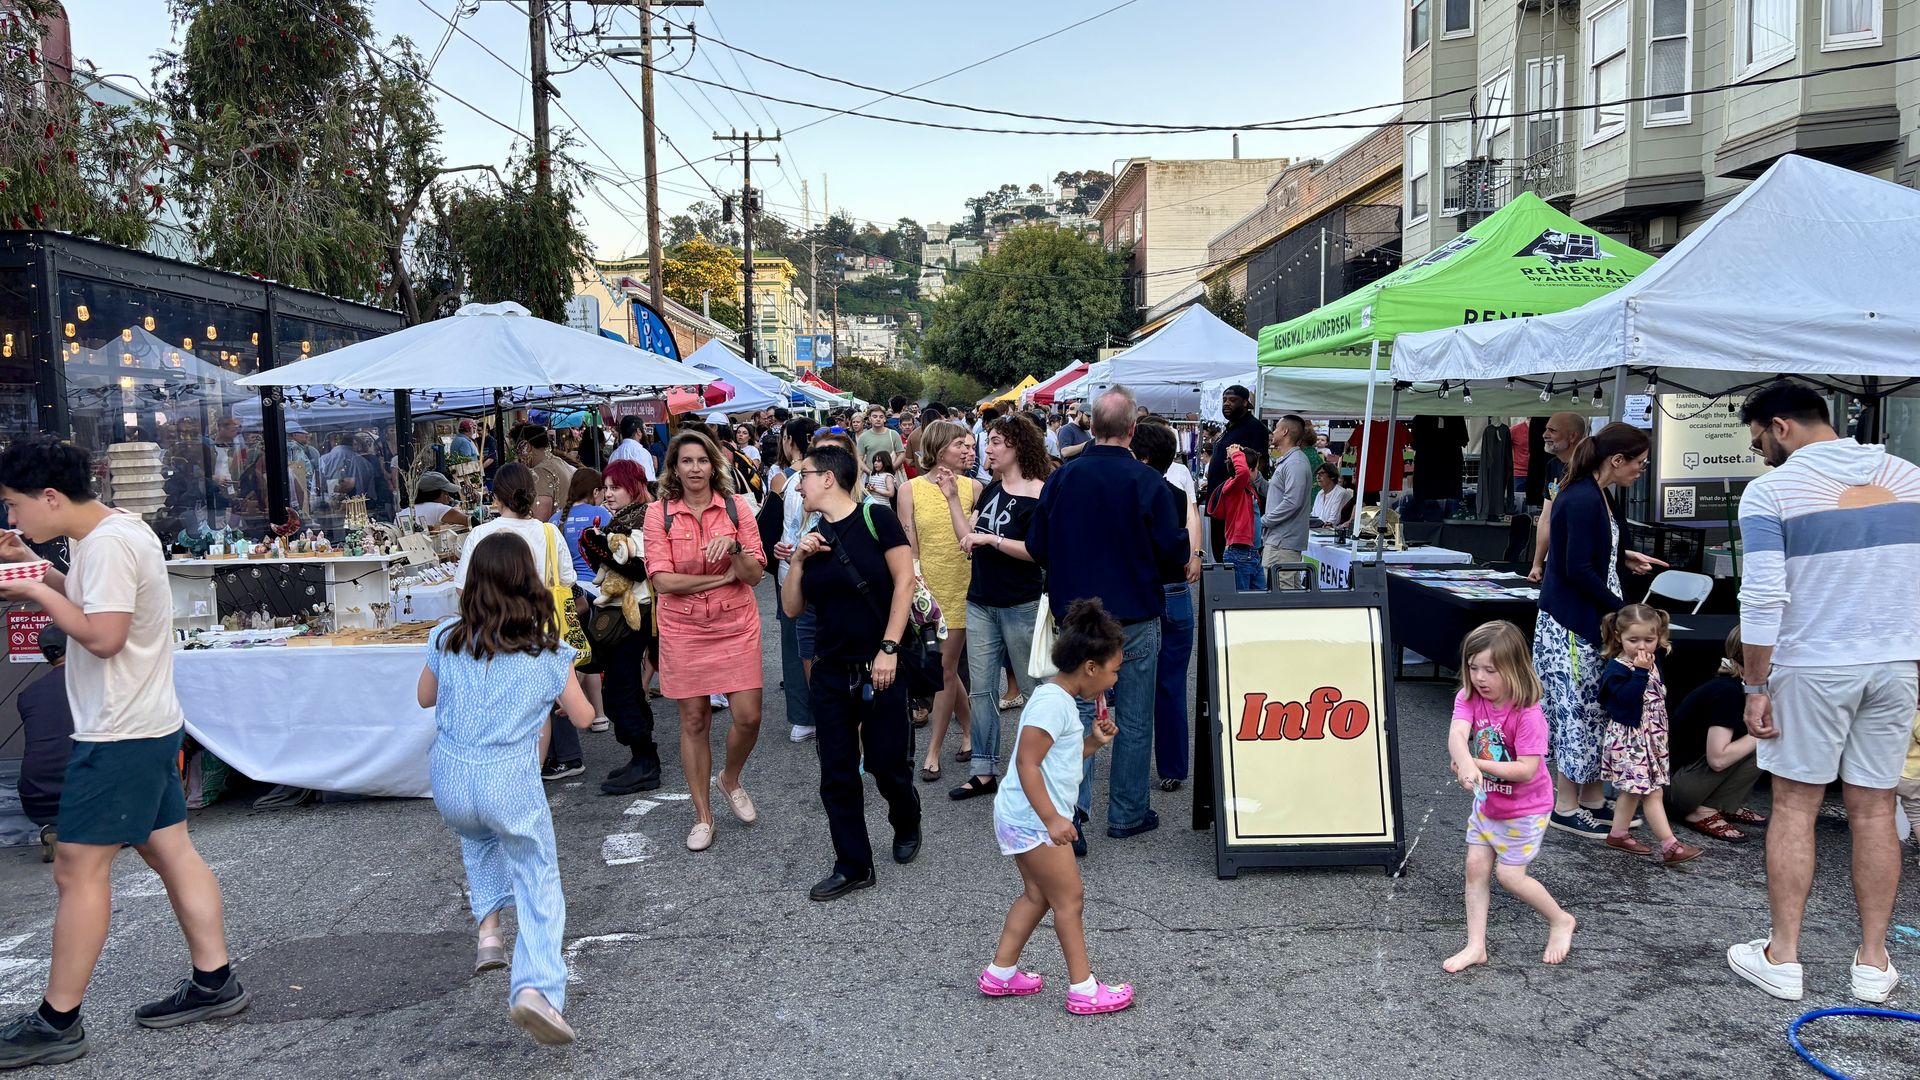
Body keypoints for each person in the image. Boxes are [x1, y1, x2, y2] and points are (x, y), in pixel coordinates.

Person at [0, 439, 248, 1069]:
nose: (12, 519)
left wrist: (37, 595)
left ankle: (58, 1021)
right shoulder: (109, 533)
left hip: (118, 732)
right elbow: (97, 603)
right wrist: (37, 567)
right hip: (147, 722)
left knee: (77, 870)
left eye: (15, 507)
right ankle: (214, 981)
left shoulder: (105, 545)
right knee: (171, 850)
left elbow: (104, 636)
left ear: (51, 497)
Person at [1728, 380, 1920, 1005]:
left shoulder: (1771, 490)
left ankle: (1783, 957)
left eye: (1760, 439)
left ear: (1781, 426)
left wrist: (1755, 683)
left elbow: (1761, 598)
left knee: (1794, 806)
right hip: (1894, 662)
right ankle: (1872, 962)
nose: (1760, 452)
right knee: (1873, 808)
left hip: (1811, 663)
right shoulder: (1910, 476)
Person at [418, 532, 592, 1045]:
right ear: (529, 583)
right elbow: (583, 717)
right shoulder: (547, 650)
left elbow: (424, 697)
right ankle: (536, 988)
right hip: (508, 783)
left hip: (451, 782)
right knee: (537, 878)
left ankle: (489, 932)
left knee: (477, 834)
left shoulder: (445, 635)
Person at [1027, 386, 1187, 851]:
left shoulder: (1062, 479)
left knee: (1074, 716)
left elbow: (1037, 546)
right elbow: (1172, 554)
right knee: (1135, 716)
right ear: (1133, 431)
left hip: (1077, 616)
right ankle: (1128, 811)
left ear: (1091, 427)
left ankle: (1072, 814)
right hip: (1134, 612)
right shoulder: (1148, 482)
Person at [781, 443, 922, 901]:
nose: (796, 482)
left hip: (879, 663)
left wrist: (889, 648)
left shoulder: (874, 518)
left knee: (884, 764)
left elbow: (905, 580)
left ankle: (907, 816)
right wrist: (798, 561)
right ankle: (854, 864)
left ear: (828, 478)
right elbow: (791, 608)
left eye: (803, 474)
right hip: (830, 668)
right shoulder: (812, 532)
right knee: (837, 772)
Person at [982, 598, 1130, 1015]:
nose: (1113, 679)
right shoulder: (1052, 703)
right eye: (1113, 670)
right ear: (1090, 667)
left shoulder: (1060, 701)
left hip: (1021, 816)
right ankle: (1083, 989)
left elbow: (1053, 761)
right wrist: (1052, 820)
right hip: (1033, 819)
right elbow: (1027, 762)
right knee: (1070, 900)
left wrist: (1092, 744)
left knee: (1037, 895)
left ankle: (1001, 973)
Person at [1534, 422, 1666, 841]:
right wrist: (1624, 610)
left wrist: (1622, 557)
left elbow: (1587, 552)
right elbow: (1575, 569)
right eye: (1640, 463)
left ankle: (1590, 797)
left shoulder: (1598, 495)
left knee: (1593, 711)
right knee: (1577, 711)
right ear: (1617, 460)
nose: (1642, 470)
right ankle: (1565, 805)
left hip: (1588, 620)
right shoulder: (1583, 497)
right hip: (1571, 623)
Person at [642, 431, 767, 853]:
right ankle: (703, 815)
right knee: (694, 719)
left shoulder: (735, 508)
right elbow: (662, 580)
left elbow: (754, 575)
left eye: (701, 460)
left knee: (748, 716)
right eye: (686, 461)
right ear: (674, 468)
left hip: (735, 622)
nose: (694, 468)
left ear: (714, 464)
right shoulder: (658, 513)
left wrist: (733, 548)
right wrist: (717, 579)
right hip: (684, 627)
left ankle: (730, 778)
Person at [1442, 621, 1575, 973]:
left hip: (1525, 809)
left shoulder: (1527, 712)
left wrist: (1476, 764)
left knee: (1511, 877)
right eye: (1473, 667)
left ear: (1514, 669)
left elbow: (1527, 769)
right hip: (1490, 804)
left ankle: (1560, 919)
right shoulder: (1469, 696)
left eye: (1490, 669)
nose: (1480, 677)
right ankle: (1475, 945)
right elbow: (1457, 734)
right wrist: (1464, 759)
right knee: (1475, 869)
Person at [454, 464, 581, 779]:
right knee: (546, 697)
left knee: (507, 702)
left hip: (496, 629)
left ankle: (512, 767)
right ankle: (560, 758)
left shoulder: (481, 534)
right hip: (544, 627)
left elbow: (463, 588)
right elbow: (568, 579)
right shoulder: (548, 532)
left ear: (495, 497)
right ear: (532, 494)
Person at [948, 414, 1050, 801]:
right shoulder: (990, 489)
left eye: (994, 442)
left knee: (1032, 688)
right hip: (981, 601)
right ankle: (984, 770)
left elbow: (1037, 552)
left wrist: (992, 541)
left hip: (1020, 603)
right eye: (988, 442)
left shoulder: (1040, 492)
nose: (986, 449)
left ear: (1017, 446)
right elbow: (966, 537)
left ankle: (1037, 766)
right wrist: (954, 500)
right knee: (981, 690)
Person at [899, 418, 980, 783]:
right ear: (938, 448)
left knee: (945, 668)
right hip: (925, 589)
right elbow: (909, 541)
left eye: (969, 444)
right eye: (959, 444)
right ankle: (970, 732)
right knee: (946, 669)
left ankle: (932, 750)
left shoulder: (974, 487)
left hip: (963, 586)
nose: (968, 450)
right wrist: (915, 583)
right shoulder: (909, 489)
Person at [1595, 604, 1703, 865]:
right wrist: (1640, 673)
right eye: (1633, 640)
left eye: (1649, 639)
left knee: (1633, 791)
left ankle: (1618, 833)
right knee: (1652, 792)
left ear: (1659, 638)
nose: (1641, 646)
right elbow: (1625, 701)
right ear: (1619, 636)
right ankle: (1670, 845)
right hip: (1631, 739)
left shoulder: (1651, 663)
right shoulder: (1617, 669)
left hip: (1650, 737)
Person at [580, 459, 661, 795]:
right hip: (621, 613)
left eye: (616, 487)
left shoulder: (643, 518)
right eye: (606, 487)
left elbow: (639, 570)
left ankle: (645, 763)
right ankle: (641, 758)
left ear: (634, 487)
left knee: (622, 689)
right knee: (620, 688)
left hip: (636, 614)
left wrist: (602, 549)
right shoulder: (623, 520)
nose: (608, 494)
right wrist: (599, 549)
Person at [1133, 420, 1203, 793]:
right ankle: (1173, 767)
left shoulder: (1130, 493)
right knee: (1172, 685)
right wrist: (1195, 555)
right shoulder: (1175, 494)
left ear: (1140, 457)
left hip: (1142, 594)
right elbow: (1189, 533)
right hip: (1175, 591)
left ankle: (1134, 764)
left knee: (1135, 685)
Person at [1668, 627, 1767, 844]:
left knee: (1763, 740)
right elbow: (1718, 759)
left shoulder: (1738, 687)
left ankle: (1722, 804)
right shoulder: (1728, 693)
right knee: (1765, 739)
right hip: (1678, 786)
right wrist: (1763, 732)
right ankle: (1701, 810)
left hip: (1689, 779)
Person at [771, 417, 821, 744]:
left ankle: (805, 715)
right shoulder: (800, 480)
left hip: (792, 573)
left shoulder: (783, 481)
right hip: (807, 571)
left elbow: (780, 532)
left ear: (790, 439)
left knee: (798, 646)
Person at [551, 468, 612, 731]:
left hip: (569, 593)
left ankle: (586, 711)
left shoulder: (555, 520)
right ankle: (597, 713)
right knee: (590, 654)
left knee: (578, 651)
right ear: (595, 491)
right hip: (597, 592)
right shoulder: (601, 514)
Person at [16, 625, 73, 848]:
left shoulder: (27, 694)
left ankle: (56, 828)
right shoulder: (96, 684)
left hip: (35, 797)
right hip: (83, 790)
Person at [1206, 384, 1268, 559]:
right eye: (1224, 400)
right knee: (1219, 553)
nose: (1226, 403)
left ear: (1245, 402)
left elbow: (1258, 465)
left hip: (1237, 503)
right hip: (1220, 500)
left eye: (1232, 400)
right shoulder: (1228, 428)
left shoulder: (1254, 428)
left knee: (1233, 556)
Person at [1527, 412, 1589, 583]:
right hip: (1556, 560)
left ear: (1572, 436)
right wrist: (1537, 564)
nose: (1544, 434)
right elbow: (1546, 517)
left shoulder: (1589, 467)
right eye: (1546, 429)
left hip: (1582, 563)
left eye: (1552, 430)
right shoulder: (1552, 466)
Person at [1260, 415, 1313, 589]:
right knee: (1287, 592)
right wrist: (1257, 480)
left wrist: (1264, 521)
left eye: (1276, 427)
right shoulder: (1290, 461)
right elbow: (1278, 494)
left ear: (1285, 431)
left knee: (1280, 593)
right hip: (1280, 541)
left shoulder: (1295, 463)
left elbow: (1292, 501)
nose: (1273, 431)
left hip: (1282, 542)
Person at [1211, 438, 1262, 591]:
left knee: (1260, 599)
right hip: (1240, 553)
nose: (1258, 472)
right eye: (1256, 468)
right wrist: (1235, 454)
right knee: (1243, 603)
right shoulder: (1234, 487)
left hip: (1252, 553)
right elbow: (1243, 472)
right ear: (1250, 469)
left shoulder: (1246, 489)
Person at [515, 426, 576, 524]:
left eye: (517, 451)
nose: (518, 457)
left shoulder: (540, 472)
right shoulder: (559, 462)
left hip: (554, 534)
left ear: (527, 447)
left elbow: (540, 519)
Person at [396, 471, 471, 531]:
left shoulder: (401, 513)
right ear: (435, 493)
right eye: (445, 492)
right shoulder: (439, 508)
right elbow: (470, 521)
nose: (448, 496)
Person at [609, 415, 657, 487]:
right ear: (638, 431)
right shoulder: (642, 453)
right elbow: (648, 481)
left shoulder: (614, 455)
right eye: (644, 429)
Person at [858, 404, 904, 472]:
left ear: (885, 419)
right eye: (875, 416)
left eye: (881, 417)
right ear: (870, 418)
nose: (878, 419)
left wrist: (892, 468)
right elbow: (859, 458)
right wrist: (869, 472)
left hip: (891, 476)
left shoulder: (893, 434)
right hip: (872, 478)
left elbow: (901, 454)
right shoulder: (863, 437)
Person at [1311, 461, 1354, 529]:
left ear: (1332, 476)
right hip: (1318, 532)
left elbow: (1333, 521)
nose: (1318, 477)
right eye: (1317, 474)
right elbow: (1314, 516)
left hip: (1333, 534)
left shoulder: (1340, 493)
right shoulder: (1320, 493)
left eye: (1322, 473)